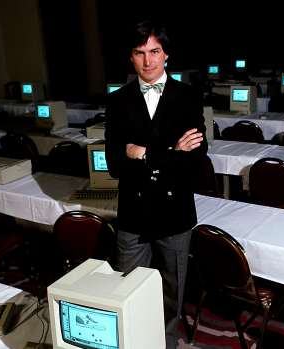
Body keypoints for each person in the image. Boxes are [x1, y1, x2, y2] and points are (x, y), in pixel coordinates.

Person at [104, 20, 207, 348]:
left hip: (175, 214)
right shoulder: (117, 100)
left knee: (171, 294)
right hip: (132, 213)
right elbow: (115, 165)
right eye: (140, 53)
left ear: (167, 56)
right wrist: (170, 152)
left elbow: (194, 160)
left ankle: (165, 343)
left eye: (154, 52)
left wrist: (142, 152)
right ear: (130, 58)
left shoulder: (188, 97)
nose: (148, 61)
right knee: (127, 289)